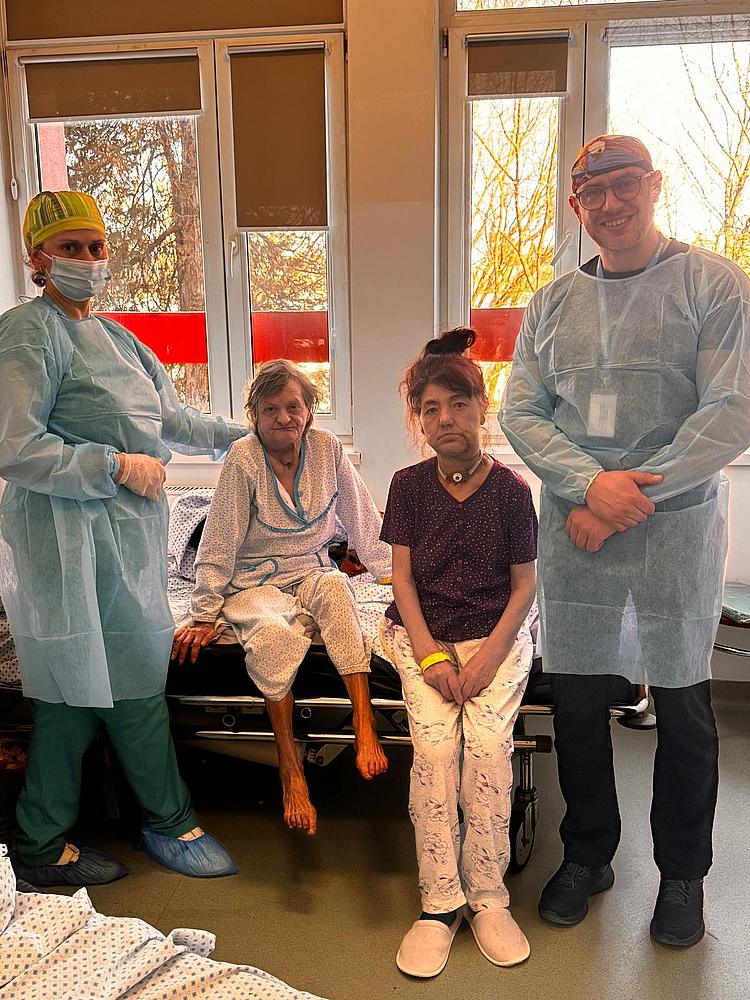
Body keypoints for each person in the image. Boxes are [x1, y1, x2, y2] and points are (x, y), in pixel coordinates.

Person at [500, 135, 750, 948]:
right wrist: (587, 484)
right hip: (577, 537)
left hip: (673, 530)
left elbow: (731, 411)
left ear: (654, 185)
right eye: (593, 192)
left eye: (625, 184)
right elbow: (520, 410)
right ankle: (587, 855)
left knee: (683, 706)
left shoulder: (714, 285)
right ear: (577, 206)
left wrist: (615, 503)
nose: (610, 203)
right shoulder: (550, 304)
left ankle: (682, 876)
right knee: (577, 702)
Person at [0, 190, 247, 886]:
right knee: (74, 687)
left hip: (127, 540)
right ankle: (143, 824)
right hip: (63, 538)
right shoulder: (28, 333)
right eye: (69, 248)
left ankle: (61, 835)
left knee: (130, 673)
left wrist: (251, 434)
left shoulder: (119, 339)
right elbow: (16, 446)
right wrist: (112, 466)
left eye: (95, 246)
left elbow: (173, 419)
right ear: (37, 258)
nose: (87, 259)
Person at [172, 360, 391, 836]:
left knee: (338, 592)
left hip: (311, 569)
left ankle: (364, 722)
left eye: (293, 406)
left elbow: (361, 517)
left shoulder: (327, 449)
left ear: (309, 410)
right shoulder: (243, 458)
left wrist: (391, 575)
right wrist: (204, 612)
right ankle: (290, 769)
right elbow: (219, 540)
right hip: (253, 581)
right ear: (254, 416)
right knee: (271, 637)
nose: (283, 417)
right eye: (270, 409)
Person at [379, 329, 537, 978]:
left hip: (496, 637)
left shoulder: (513, 492)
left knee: (488, 751)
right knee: (436, 750)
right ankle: (440, 903)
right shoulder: (407, 486)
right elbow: (401, 582)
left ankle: (489, 897)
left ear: (481, 407)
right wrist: (430, 658)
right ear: (419, 421)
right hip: (423, 638)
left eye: (458, 404)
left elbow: (524, 586)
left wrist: (488, 658)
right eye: (431, 409)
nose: (446, 419)